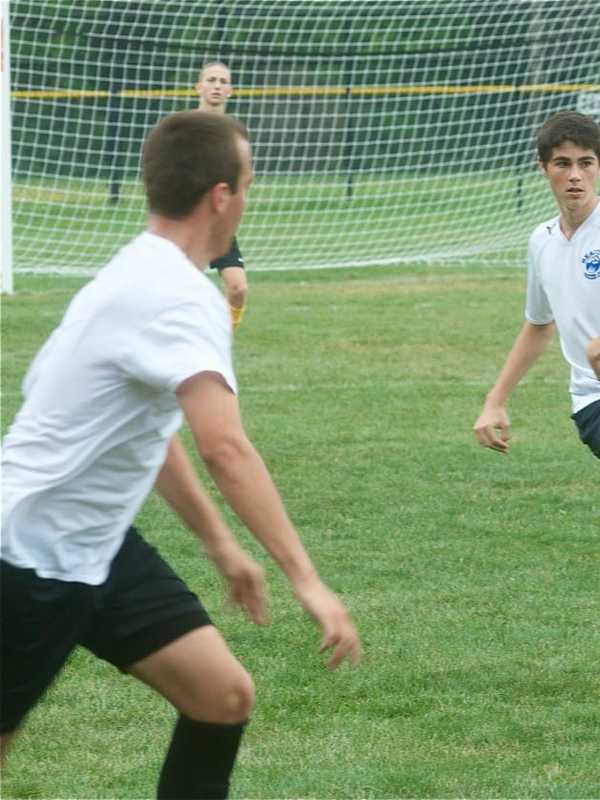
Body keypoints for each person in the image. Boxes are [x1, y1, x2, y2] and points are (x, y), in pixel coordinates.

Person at [0, 111, 361, 799]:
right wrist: (307, 580)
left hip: (99, 547)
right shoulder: (176, 296)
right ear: (221, 196)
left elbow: (148, 430)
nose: (249, 198)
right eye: (248, 184)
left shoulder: (142, 270)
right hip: (28, 556)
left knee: (221, 695)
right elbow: (224, 447)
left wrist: (222, 546)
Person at [474, 110, 600, 460]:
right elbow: (539, 324)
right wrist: (495, 401)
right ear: (542, 167)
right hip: (593, 401)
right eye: (562, 163)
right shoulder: (541, 241)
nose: (576, 175)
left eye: (586, 162)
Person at [196, 61, 248, 331]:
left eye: (223, 82)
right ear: (199, 87)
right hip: (189, 221)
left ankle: (226, 333)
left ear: (230, 91)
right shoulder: (184, 127)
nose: (217, 86)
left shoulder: (236, 132)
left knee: (238, 288)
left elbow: (243, 175)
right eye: (211, 80)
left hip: (220, 222)